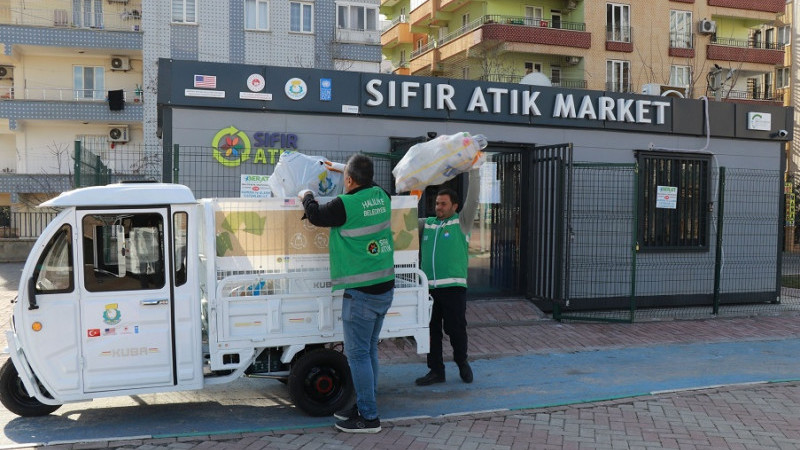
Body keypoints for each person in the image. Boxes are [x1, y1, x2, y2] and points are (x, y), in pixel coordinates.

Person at [299, 154, 394, 434]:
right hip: (384, 287)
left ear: (349, 180)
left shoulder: (345, 204)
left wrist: (306, 195)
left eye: (345, 178)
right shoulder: (382, 197)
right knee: (369, 351)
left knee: (358, 356)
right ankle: (366, 404)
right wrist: (345, 169)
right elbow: (370, 185)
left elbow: (315, 215)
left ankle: (369, 417)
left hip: (361, 294)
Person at [415, 169, 479, 386]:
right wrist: (413, 194)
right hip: (429, 290)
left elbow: (473, 198)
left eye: (443, 204)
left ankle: (462, 362)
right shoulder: (428, 224)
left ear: (455, 206)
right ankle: (436, 371)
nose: (438, 207)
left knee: (455, 330)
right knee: (432, 332)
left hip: (453, 288)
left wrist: (475, 171)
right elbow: (404, 220)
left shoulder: (461, 222)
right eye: (436, 203)